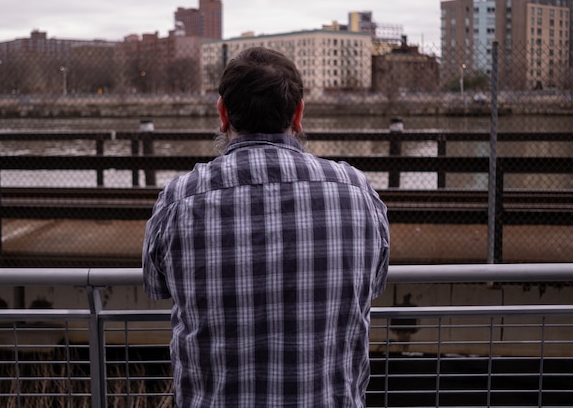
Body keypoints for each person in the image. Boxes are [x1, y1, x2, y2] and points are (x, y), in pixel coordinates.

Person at [143, 46, 389, 407]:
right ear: (299, 114)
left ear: (223, 113)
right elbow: (375, 282)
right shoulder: (357, 192)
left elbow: (155, 285)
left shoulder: (180, 198)